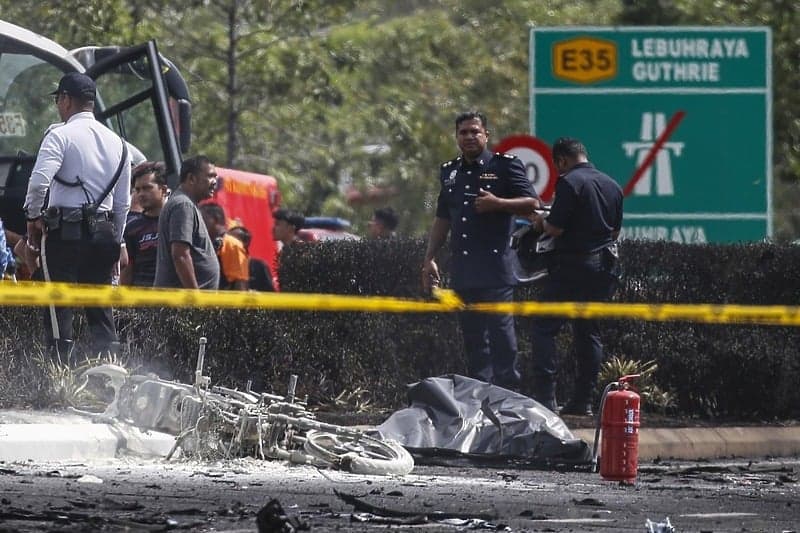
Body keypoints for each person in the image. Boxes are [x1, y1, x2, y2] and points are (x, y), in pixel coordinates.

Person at [421, 111, 539, 390]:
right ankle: (479, 397)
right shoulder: (449, 171)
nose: (470, 137)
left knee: (502, 339)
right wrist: (429, 258)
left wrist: (498, 203)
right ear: (457, 137)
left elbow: (533, 205)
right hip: (464, 272)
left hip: (496, 270)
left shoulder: (505, 166)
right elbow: (443, 218)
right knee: (474, 341)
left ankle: (510, 396)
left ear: (486, 135)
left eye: (475, 131)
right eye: (463, 132)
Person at [23, 72, 131, 362]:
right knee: (100, 307)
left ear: (66, 100)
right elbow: (123, 203)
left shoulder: (59, 135)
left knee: (60, 306)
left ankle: (61, 375)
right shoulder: (119, 144)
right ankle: (108, 374)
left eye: (59, 100)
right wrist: (117, 243)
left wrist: (33, 216)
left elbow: (38, 183)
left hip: (65, 234)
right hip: (105, 233)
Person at [528, 137, 623, 416]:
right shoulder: (612, 185)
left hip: (572, 267)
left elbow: (555, 228)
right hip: (603, 268)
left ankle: (546, 399)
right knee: (588, 332)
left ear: (562, 161)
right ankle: (584, 401)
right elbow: (614, 233)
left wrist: (539, 222)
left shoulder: (569, 182)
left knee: (544, 327)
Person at [154, 155, 220, 289]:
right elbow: (180, 255)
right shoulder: (183, 205)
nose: (214, 182)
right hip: (180, 305)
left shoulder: (187, 203)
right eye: (210, 176)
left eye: (215, 177)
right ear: (191, 178)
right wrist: (194, 298)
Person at [121, 161, 168, 286]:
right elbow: (127, 270)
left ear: (163, 189)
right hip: (141, 297)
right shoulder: (131, 228)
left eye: (147, 188)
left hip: (173, 297)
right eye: (137, 189)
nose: (141, 194)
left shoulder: (176, 222)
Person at [199, 203, 249, 290]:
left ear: (216, 219)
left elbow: (239, 282)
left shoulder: (232, 244)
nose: (199, 224)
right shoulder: (207, 243)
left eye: (203, 219)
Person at [228, 225, 275, 291]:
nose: (228, 243)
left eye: (233, 240)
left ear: (245, 243)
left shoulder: (259, 266)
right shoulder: (223, 266)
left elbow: (270, 292)